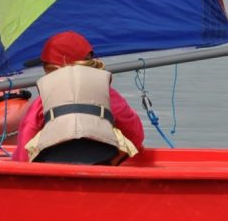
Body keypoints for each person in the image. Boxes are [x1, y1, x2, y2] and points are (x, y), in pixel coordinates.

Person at [12, 30, 144, 164]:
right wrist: (119, 160)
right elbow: (134, 132)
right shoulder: (106, 93)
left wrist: (20, 170)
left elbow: (27, 135)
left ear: (54, 68)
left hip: (54, 165)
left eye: (45, 67)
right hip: (101, 162)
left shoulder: (43, 100)